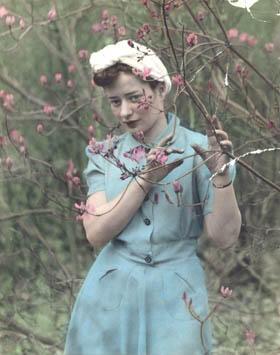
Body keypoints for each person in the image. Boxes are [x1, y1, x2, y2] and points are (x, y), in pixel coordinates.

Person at [64, 40, 241, 355]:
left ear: (161, 89)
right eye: (114, 102)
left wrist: (221, 175)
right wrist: (144, 180)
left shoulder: (201, 150)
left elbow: (224, 237)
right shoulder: (104, 155)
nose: (125, 112)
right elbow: (95, 233)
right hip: (109, 295)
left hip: (177, 293)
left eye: (134, 98)